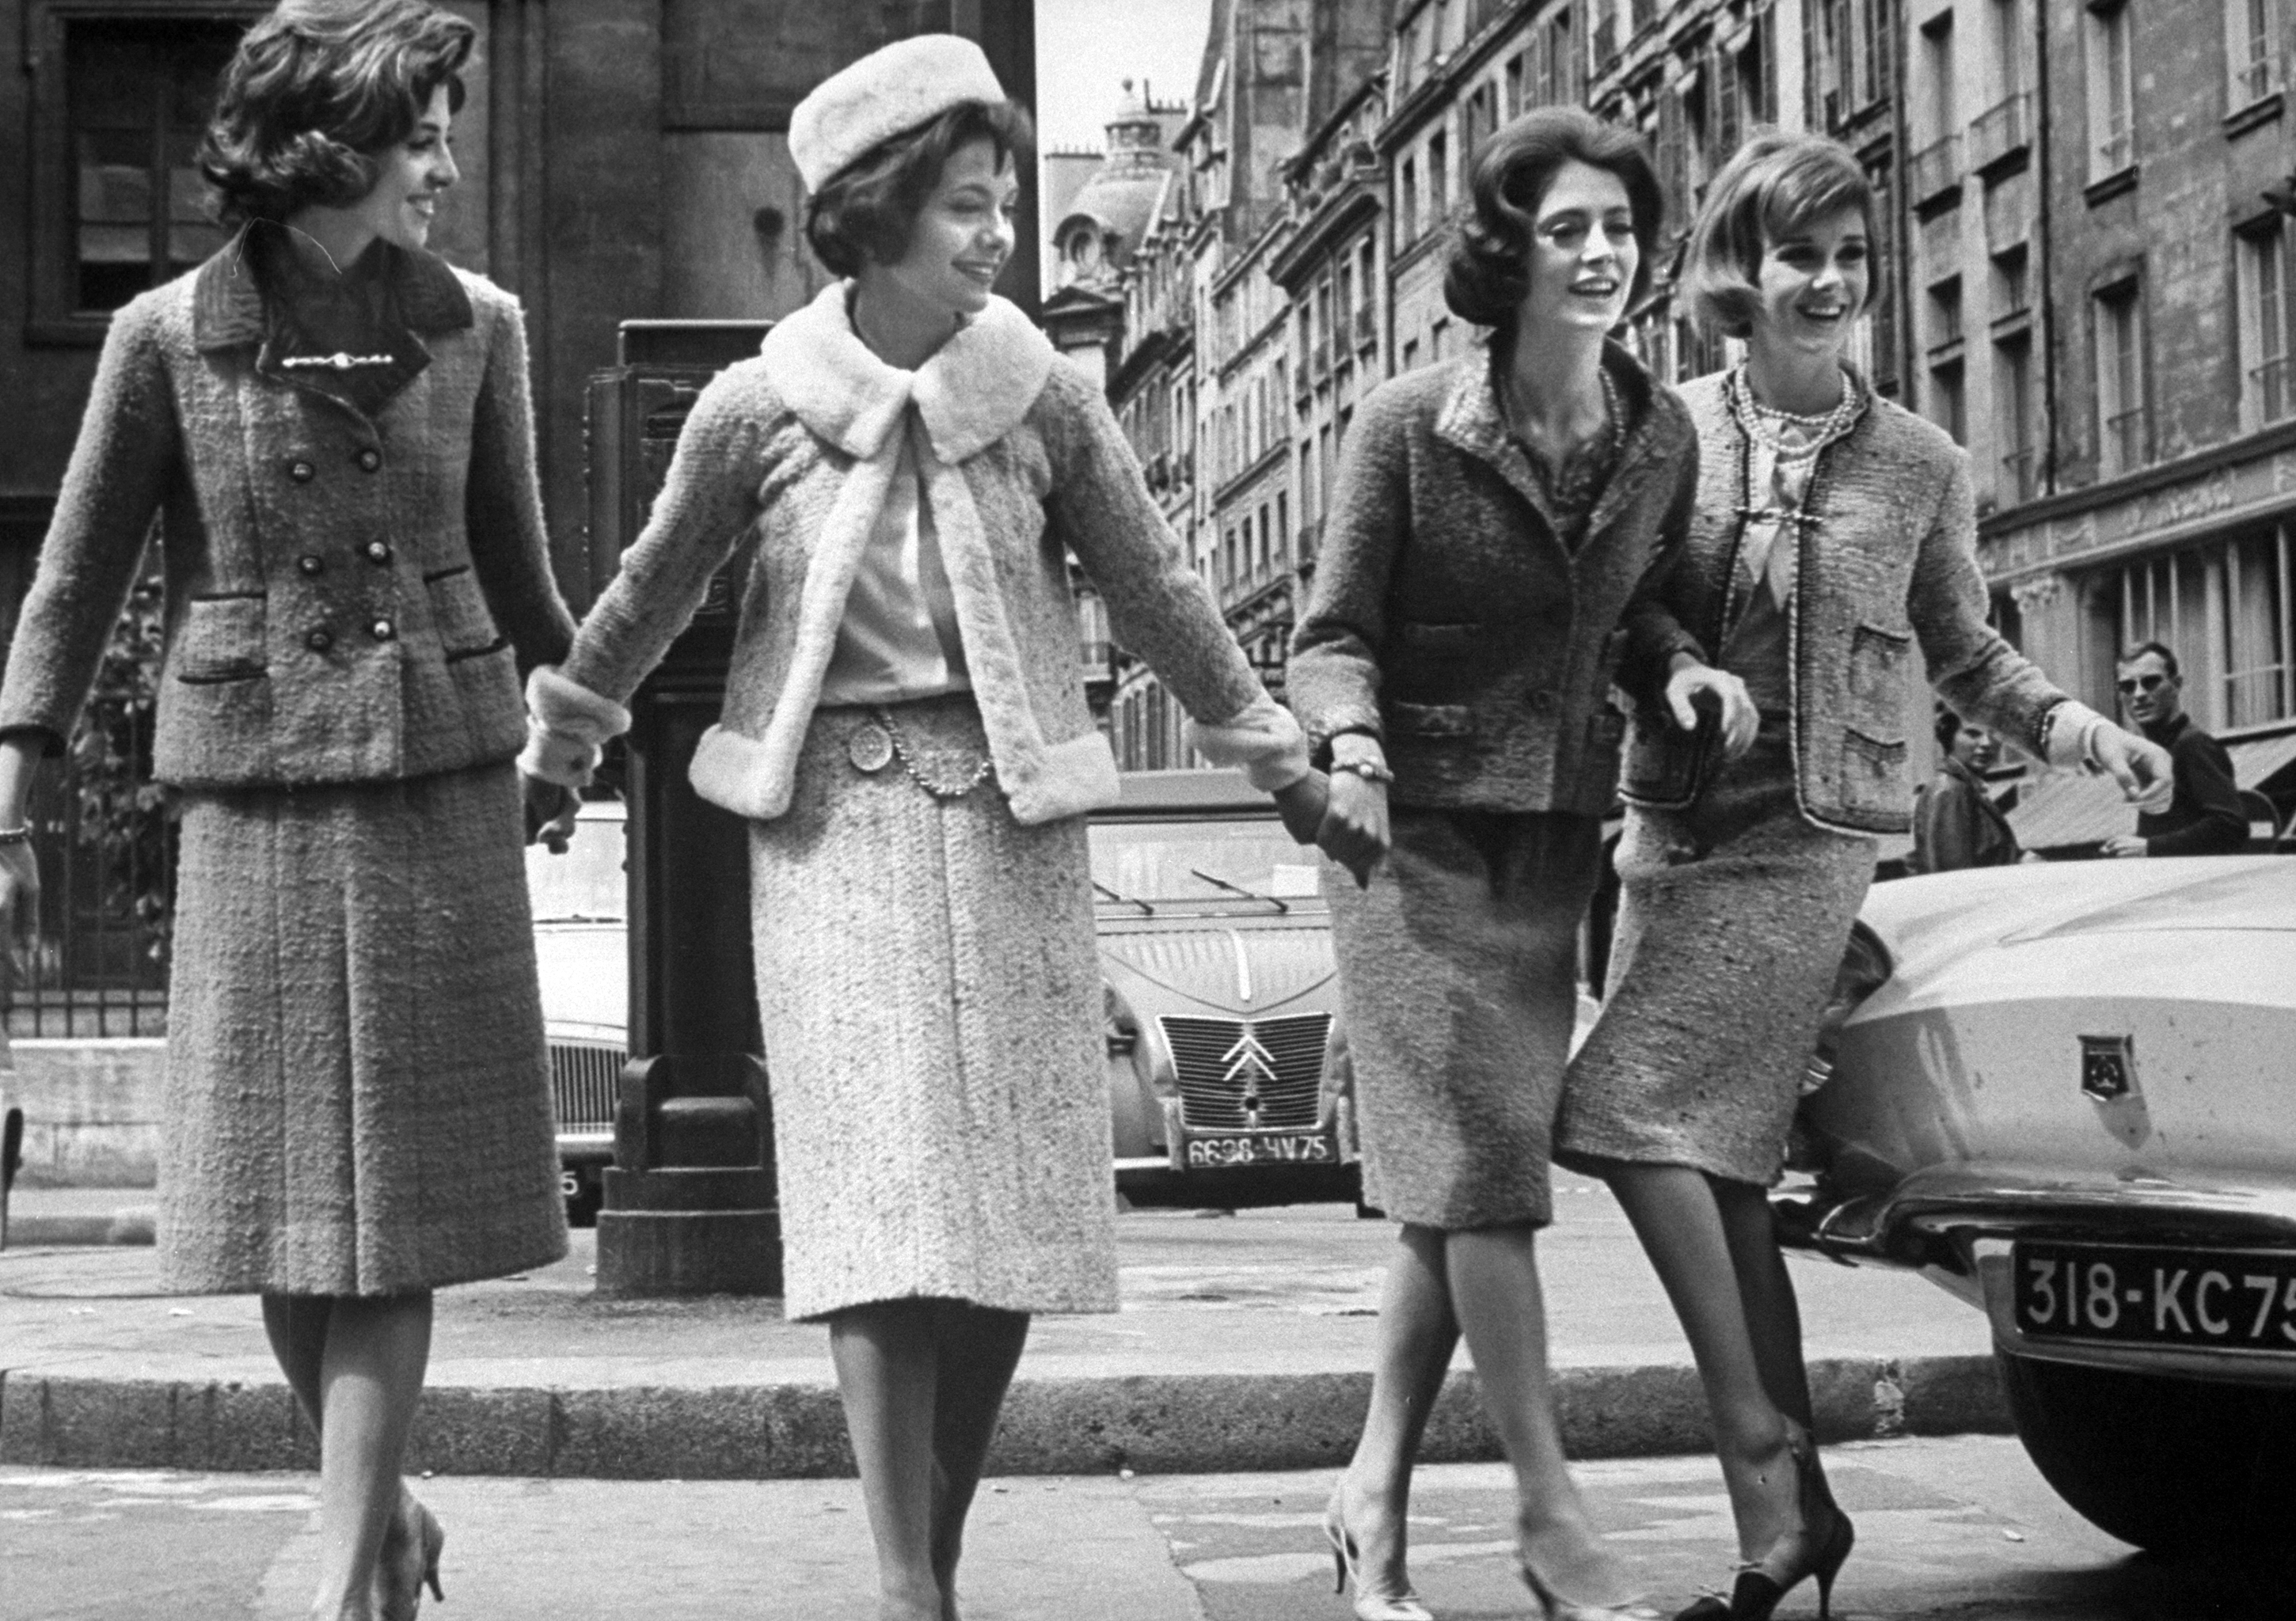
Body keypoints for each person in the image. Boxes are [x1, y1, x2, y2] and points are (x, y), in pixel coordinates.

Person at [515, 36, 1317, 1621]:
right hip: (833, 833)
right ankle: (903, 1585)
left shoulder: (1044, 393)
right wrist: (561, 739)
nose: (997, 231)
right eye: (965, 204)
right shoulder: (757, 408)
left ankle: (930, 1560)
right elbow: (649, 588)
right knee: (882, 1203)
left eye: (1004, 200)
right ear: (873, 214)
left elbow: (1161, 586)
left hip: (1012, 825)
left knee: (1011, 1211)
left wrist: (1279, 760)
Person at [0, 4, 578, 1617]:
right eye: (422, 138)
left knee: (394, 1218)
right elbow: (77, 573)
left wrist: (583, 719)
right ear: (332, 144)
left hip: (437, 778)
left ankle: (336, 1574)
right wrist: (13, 776)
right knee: (275, 1205)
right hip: (254, 785)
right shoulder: (167, 336)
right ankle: (379, 1514)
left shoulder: (479, 325)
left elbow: (522, 569)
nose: (447, 168)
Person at [1553, 131, 2172, 1621]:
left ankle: (1767, 1453)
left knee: (1616, 1112)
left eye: (1849, 258)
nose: (1829, 283)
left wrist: (2078, 728)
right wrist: (1675, 670)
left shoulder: (1920, 461)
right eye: (1799, 256)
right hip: (1671, 831)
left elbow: (1966, 648)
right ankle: (1787, 1522)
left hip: (1810, 840)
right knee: (1717, 1170)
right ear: (1740, 271)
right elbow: (1623, 617)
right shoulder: (1667, 429)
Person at [1291, 107, 1743, 1621]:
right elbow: (1329, 635)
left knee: (1453, 1185)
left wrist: (1677, 671)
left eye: (1620, 227)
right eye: (1569, 230)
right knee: (1487, 1169)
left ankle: (1369, 1496)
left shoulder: (1661, 434)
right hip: (1405, 841)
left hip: (1553, 844)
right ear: (1509, 250)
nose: (1604, 253)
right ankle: (1554, 1518)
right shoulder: (1406, 424)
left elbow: (1643, 610)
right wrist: (1353, 745)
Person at [2100, 641, 2248, 856]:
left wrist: (2151, 847)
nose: (2139, 694)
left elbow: (2230, 826)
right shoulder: (2153, 751)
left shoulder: (2193, 744)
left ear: (2176, 685)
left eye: (2151, 682)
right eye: (2128, 687)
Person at [1906, 708, 2018, 873]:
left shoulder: (1968, 789)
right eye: (1973, 734)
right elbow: (1953, 876)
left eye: (1994, 734)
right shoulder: (1948, 791)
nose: (1987, 743)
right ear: (1950, 737)